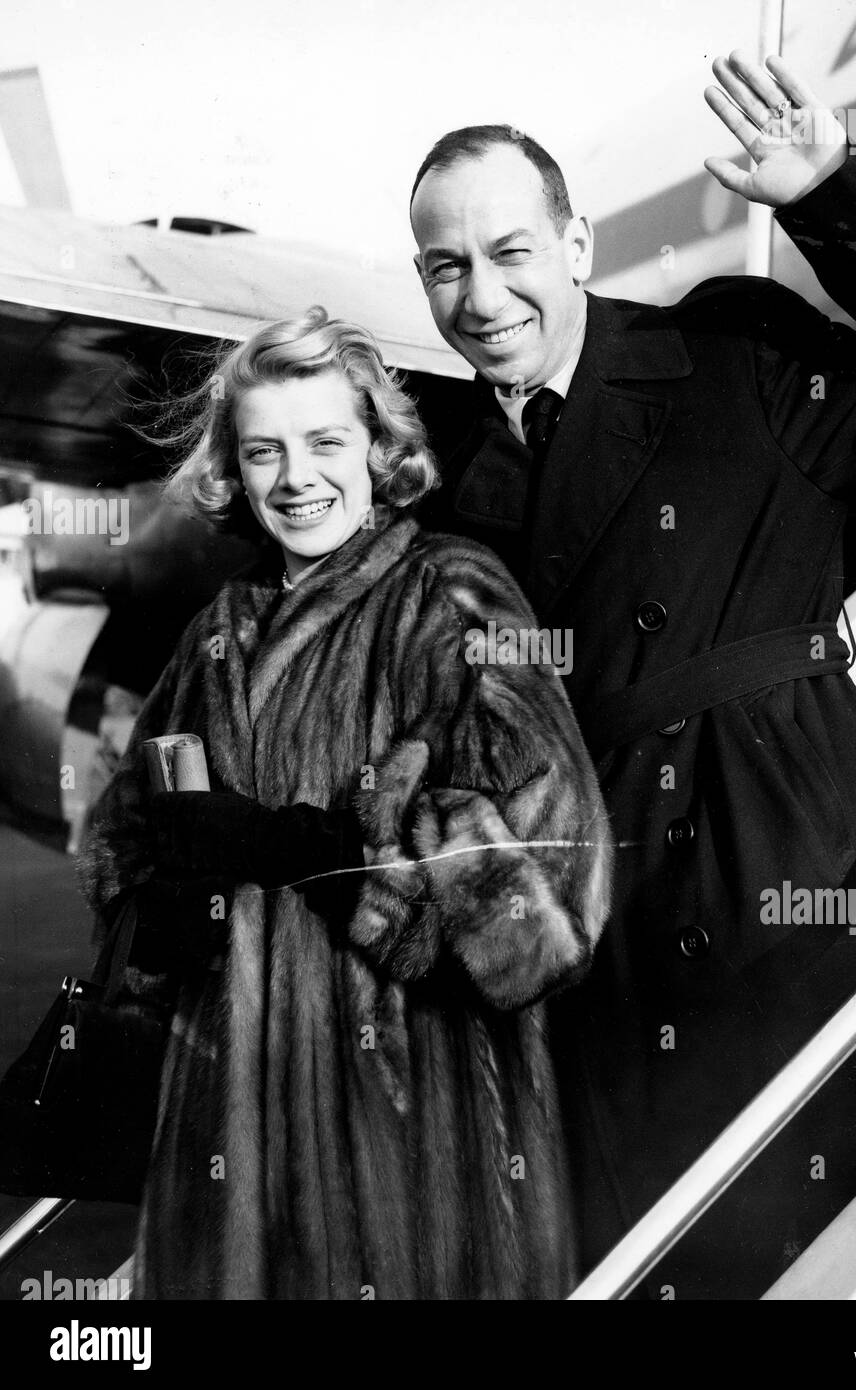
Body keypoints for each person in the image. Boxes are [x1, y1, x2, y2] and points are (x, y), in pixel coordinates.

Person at [409, 51, 856, 1298]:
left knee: (825, 1241)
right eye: (446, 265)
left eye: (511, 251)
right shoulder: (449, 487)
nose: (482, 296)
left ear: (577, 242)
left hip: (781, 871)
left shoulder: (734, 365)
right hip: (595, 934)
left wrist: (835, 195)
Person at [76, 308, 612, 1300]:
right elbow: (118, 843)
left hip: (405, 1142)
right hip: (220, 1136)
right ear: (234, 471)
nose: (296, 478)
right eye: (264, 451)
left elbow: (551, 892)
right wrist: (162, 897)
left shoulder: (453, 594)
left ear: (379, 446)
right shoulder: (217, 633)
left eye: (325, 442)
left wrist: (311, 851)